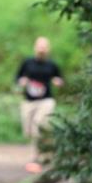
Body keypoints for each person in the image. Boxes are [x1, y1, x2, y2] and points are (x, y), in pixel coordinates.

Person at [15, 36, 63, 173]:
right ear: (35, 47)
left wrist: (58, 82)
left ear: (48, 49)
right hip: (29, 101)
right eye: (40, 46)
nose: (42, 49)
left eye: (44, 46)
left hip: (46, 100)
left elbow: (60, 78)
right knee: (29, 131)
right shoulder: (27, 63)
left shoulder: (52, 65)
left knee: (39, 124)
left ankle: (37, 158)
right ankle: (48, 151)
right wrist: (22, 81)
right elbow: (18, 77)